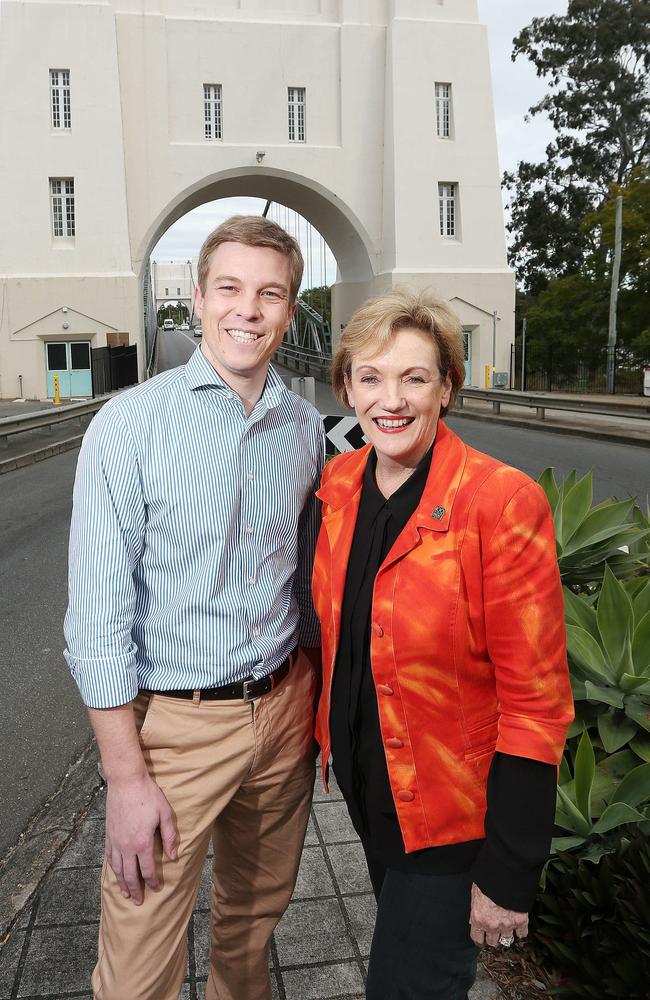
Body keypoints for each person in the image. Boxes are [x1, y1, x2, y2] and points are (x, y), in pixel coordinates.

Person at [64, 215, 324, 1000]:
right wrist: (125, 779)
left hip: (284, 710)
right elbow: (96, 622)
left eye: (270, 293)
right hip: (176, 730)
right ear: (200, 298)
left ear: (288, 310)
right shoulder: (129, 426)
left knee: (251, 929)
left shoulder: (307, 429)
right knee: (137, 966)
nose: (249, 309)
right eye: (232, 289)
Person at [311, 289, 574, 999]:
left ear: (447, 387)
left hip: (450, 819)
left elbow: (537, 702)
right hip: (372, 795)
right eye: (370, 377)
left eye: (414, 378)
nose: (389, 400)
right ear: (346, 388)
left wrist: (508, 872)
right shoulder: (338, 485)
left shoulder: (499, 501)